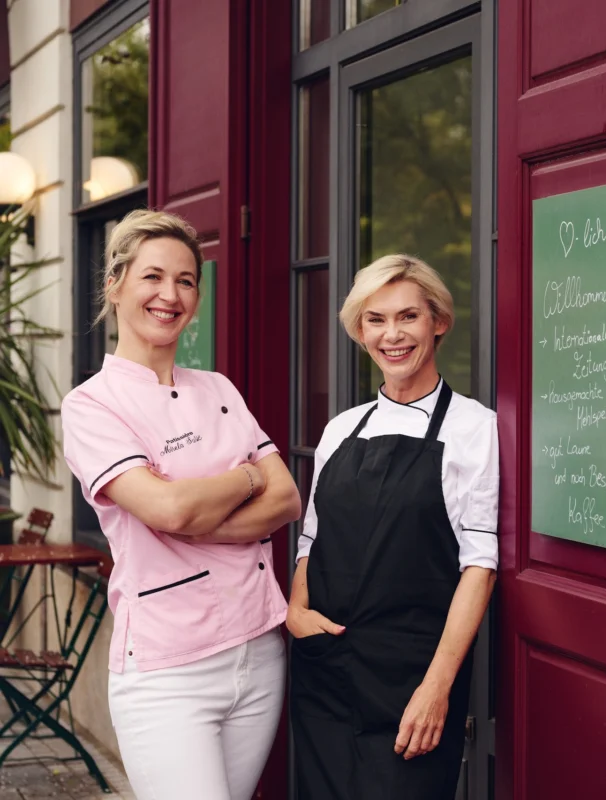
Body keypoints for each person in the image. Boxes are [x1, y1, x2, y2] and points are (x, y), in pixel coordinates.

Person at [61, 209, 300, 800]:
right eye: (153, 276)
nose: (170, 295)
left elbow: (287, 497)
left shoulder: (218, 388)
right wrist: (247, 479)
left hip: (260, 651)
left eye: (186, 280)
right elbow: (168, 510)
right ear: (115, 285)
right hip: (169, 669)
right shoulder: (92, 405)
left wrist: (201, 513)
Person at [287, 254, 499, 800]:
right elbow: (312, 537)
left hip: (412, 679)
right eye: (376, 319)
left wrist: (437, 687)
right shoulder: (340, 429)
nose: (392, 334)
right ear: (360, 331)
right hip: (326, 672)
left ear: (439, 321)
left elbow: (480, 566)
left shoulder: (476, 429)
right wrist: (296, 611)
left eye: (408, 316)